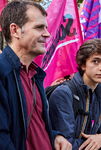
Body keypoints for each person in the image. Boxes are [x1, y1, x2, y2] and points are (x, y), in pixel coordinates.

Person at [0, 1, 71, 149]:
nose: (47, 34)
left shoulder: (35, 74)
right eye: (39, 27)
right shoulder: (2, 71)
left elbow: (32, 124)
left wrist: (55, 135)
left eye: (45, 27)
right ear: (15, 31)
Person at [49, 39, 101, 150]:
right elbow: (66, 145)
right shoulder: (64, 94)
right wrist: (98, 140)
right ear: (83, 65)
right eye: (96, 61)